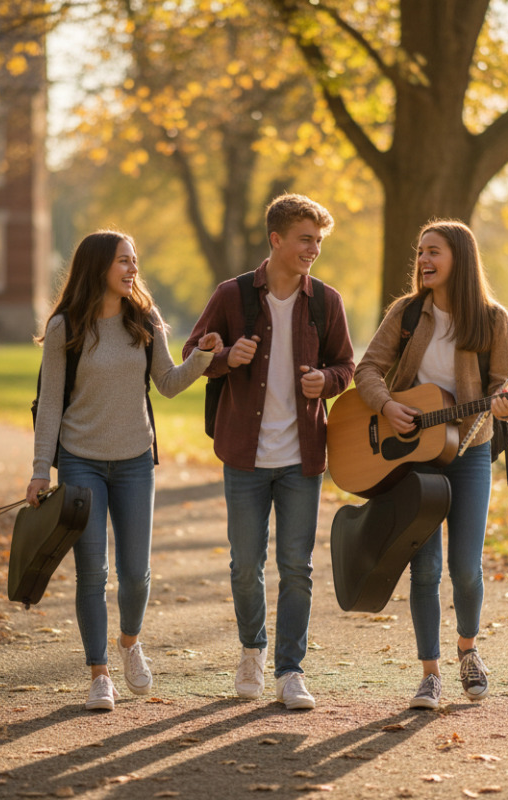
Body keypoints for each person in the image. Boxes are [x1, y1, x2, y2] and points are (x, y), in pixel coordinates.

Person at [27, 230, 222, 712]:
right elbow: (50, 404)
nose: (132, 269)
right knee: (92, 572)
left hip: (136, 460)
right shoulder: (64, 328)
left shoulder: (144, 318)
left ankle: (130, 643)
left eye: (135, 260)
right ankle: (99, 674)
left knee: (136, 573)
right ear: (98, 267)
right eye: (123, 261)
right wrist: (38, 471)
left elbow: (168, 383)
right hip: (80, 460)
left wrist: (203, 357)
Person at [182, 194, 354, 711]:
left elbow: (347, 366)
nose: (313, 250)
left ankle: (291, 670)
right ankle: (252, 652)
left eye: (318, 241)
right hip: (245, 456)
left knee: (296, 567)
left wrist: (325, 381)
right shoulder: (233, 296)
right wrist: (225, 357)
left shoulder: (326, 301)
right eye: (306, 239)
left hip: (302, 457)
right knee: (244, 565)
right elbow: (194, 355)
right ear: (276, 239)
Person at [352, 219, 508, 710]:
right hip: (414, 461)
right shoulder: (406, 314)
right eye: (420, 251)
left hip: (468, 454)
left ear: (459, 260)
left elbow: (501, 389)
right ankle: (429, 674)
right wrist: (385, 406)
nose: (423, 260)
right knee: (423, 570)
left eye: (434, 252)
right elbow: (367, 369)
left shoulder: (492, 319)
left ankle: (468, 652)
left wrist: (507, 404)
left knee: (465, 568)